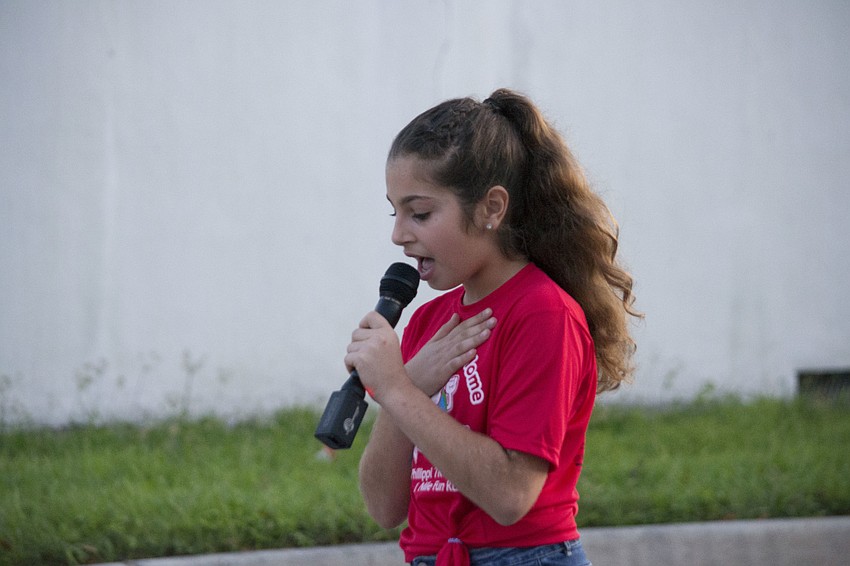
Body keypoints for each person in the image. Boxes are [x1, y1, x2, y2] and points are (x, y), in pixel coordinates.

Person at [345, 88, 640, 566]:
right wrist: (407, 386)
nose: (398, 234)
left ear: (491, 208)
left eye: (420, 213)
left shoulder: (543, 315)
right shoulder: (427, 322)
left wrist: (398, 390)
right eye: (394, 212)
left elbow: (509, 495)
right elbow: (384, 508)